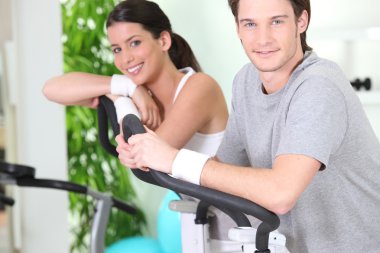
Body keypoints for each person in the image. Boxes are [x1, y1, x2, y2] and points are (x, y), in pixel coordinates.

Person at [117, 0, 380, 252]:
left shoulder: (318, 86)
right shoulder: (246, 81)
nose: (263, 39)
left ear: (301, 21)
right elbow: (222, 170)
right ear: (238, 28)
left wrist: (174, 159)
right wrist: (146, 150)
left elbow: (281, 192)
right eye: (250, 24)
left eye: (276, 21)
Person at [43, 0, 228, 236]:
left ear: (163, 40)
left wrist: (121, 98)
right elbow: (51, 89)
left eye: (135, 43)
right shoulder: (137, 95)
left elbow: (149, 158)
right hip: (201, 224)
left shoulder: (200, 86)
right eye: (117, 49)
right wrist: (124, 86)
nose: (126, 58)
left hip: (242, 225)